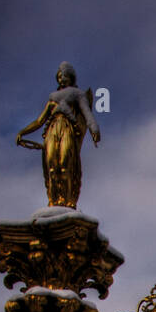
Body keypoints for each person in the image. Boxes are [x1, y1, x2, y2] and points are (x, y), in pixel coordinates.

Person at [16, 63, 101, 209]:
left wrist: (94, 128)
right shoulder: (52, 98)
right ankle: (54, 200)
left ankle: (68, 201)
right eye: (60, 76)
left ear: (71, 77)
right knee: (51, 166)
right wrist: (22, 132)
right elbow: (39, 121)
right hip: (52, 130)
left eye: (65, 76)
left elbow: (87, 113)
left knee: (65, 163)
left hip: (67, 129)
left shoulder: (77, 94)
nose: (62, 79)